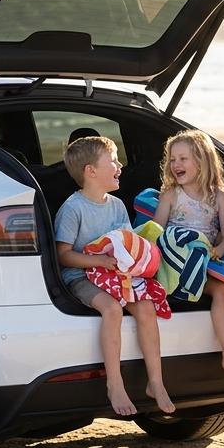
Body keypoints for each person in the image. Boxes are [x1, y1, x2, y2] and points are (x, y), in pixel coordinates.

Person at [56, 136, 174, 416]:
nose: (120, 165)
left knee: (146, 307)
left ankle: (155, 382)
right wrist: (97, 261)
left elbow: (125, 242)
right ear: (91, 171)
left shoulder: (118, 205)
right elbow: (63, 255)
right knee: (111, 309)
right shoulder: (73, 209)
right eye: (113, 161)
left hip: (113, 272)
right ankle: (115, 383)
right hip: (81, 274)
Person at [149, 130, 224, 381]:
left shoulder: (219, 196)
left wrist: (219, 251)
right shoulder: (171, 195)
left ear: (202, 161)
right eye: (172, 159)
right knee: (222, 291)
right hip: (175, 264)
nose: (176, 165)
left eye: (183, 158)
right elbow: (155, 235)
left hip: (205, 262)